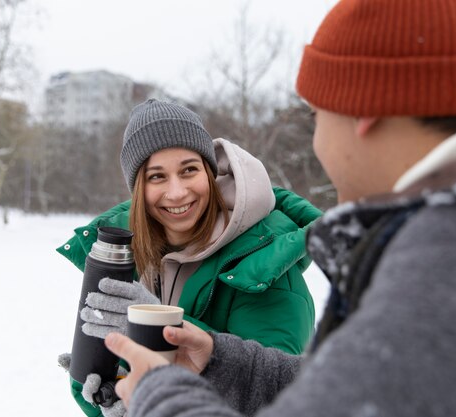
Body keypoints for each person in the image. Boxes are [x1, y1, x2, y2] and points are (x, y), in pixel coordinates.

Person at [100, 0, 456, 416]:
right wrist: (223, 363)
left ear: (363, 110)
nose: (317, 140)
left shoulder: (449, 271)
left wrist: (158, 395)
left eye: (316, 114)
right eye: (156, 177)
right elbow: (361, 389)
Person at [57, 98, 322, 416]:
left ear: (210, 172)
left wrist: (154, 326)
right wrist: (113, 393)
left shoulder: (266, 263)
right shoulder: (129, 256)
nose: (177, 192)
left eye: (189, 170)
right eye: (157, 176)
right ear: (138, 189)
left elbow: (272, 399)